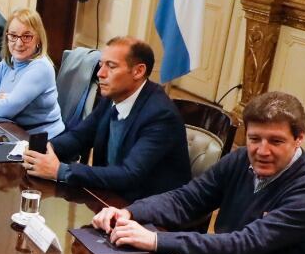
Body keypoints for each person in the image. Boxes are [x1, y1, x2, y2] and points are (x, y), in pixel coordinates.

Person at [93, 91, 305, 254]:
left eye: (276, 141)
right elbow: (187, 199)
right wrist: (130, 213)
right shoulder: (242, 158)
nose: (262, 151)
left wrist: (155, 239)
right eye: (255, 139)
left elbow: (242, 244)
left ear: (299, 139)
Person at [22, 36, 190, 201]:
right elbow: (79, 137)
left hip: (145, 209)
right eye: (101, 65)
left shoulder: (160, 115)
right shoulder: (113, 97)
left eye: (111, 66)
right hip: (106, 196)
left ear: (138, 71)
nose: (100, 73)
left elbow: (129, 174)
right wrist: (43, 150)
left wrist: (61, 170)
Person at [0, 9, 63, 136]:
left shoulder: (41, 68)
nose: (19, 43)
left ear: (38, 39)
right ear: (7, 37)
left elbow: (6, 109)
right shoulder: (10, 61)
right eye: (13, 36)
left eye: (27, 36)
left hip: (41, 140)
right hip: (10, 131)